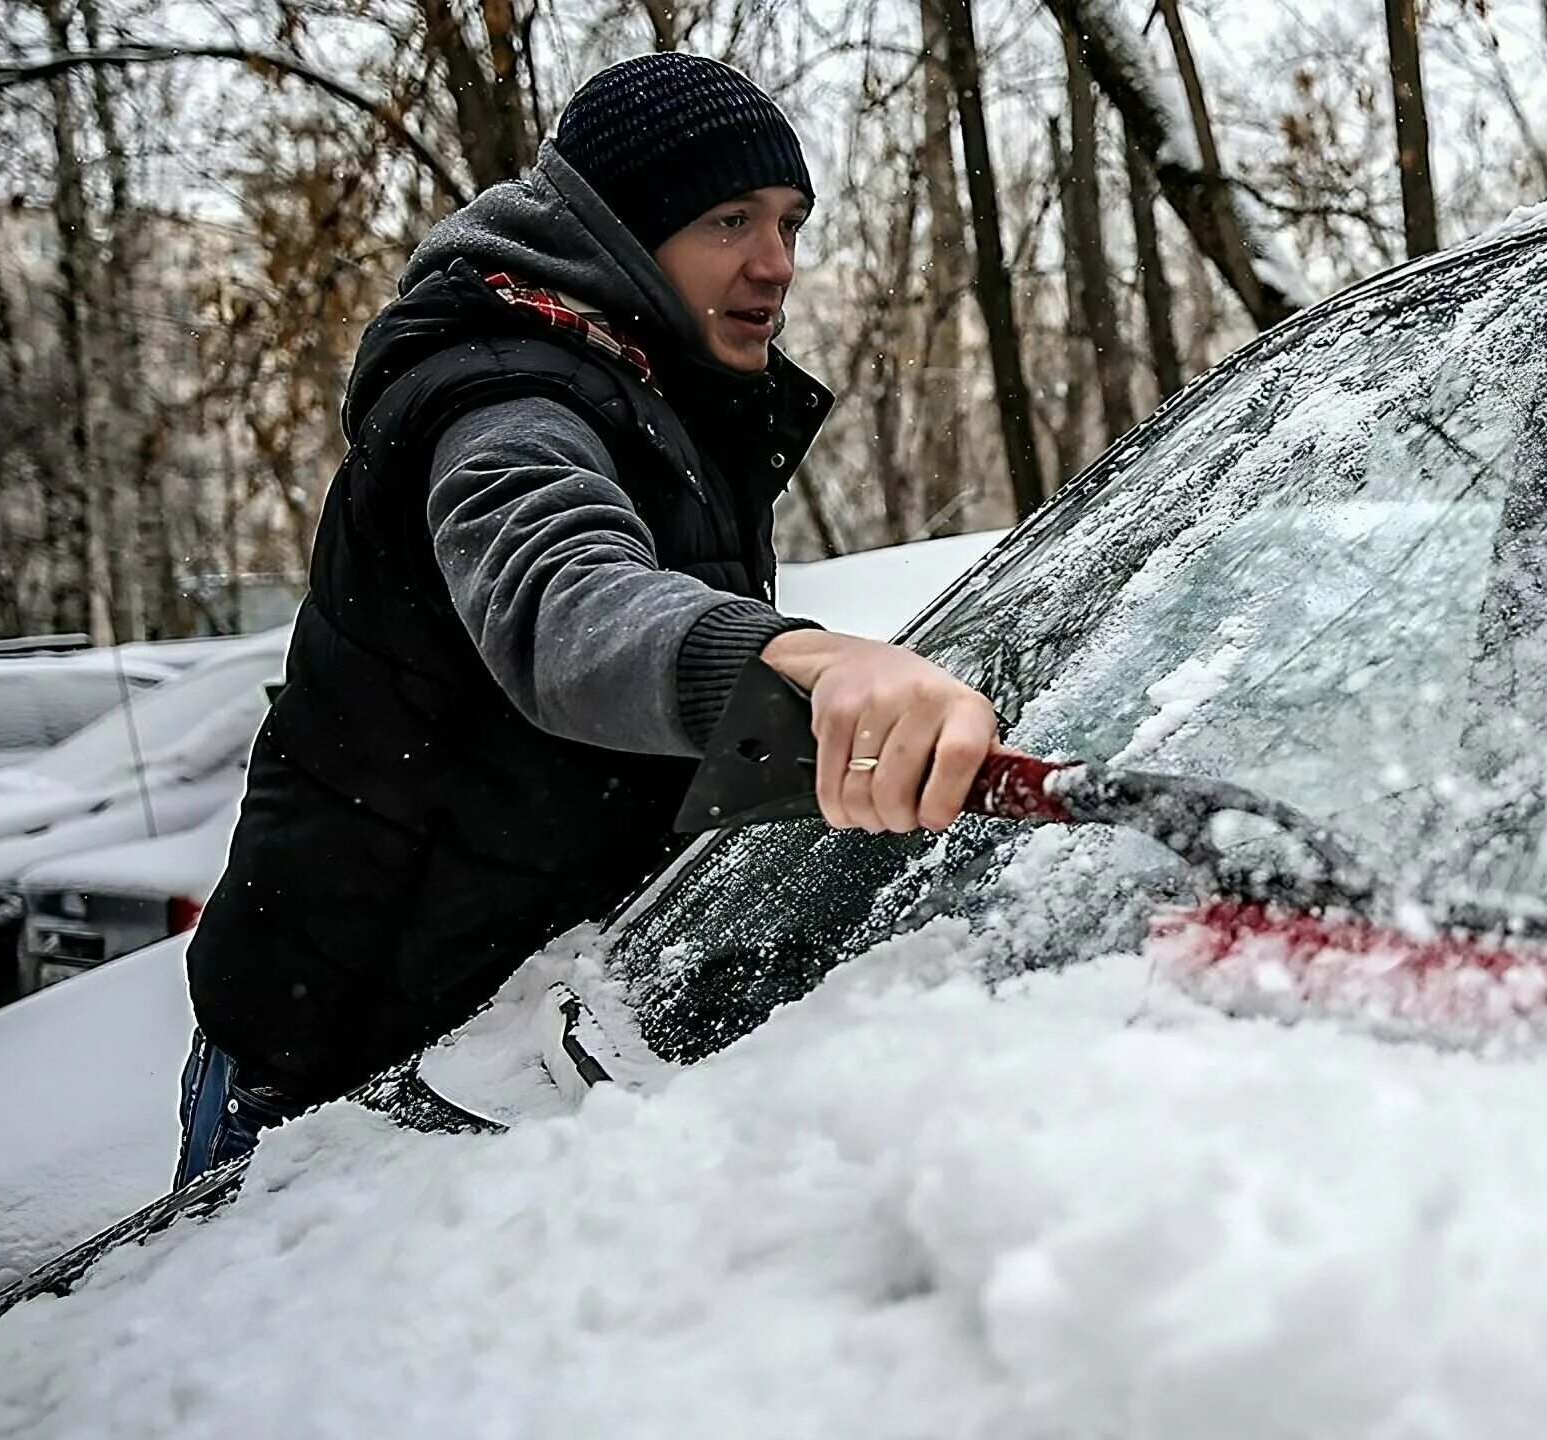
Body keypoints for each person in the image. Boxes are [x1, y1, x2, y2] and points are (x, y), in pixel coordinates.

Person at [177, 53, 995, 1185]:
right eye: (729, 220)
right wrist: (788, 656)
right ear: (617, 230)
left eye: (790, 222)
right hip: (332, 1078)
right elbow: (562, 602)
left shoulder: (657, 392)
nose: (775, 264)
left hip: (512, 1048)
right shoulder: (503, 391)